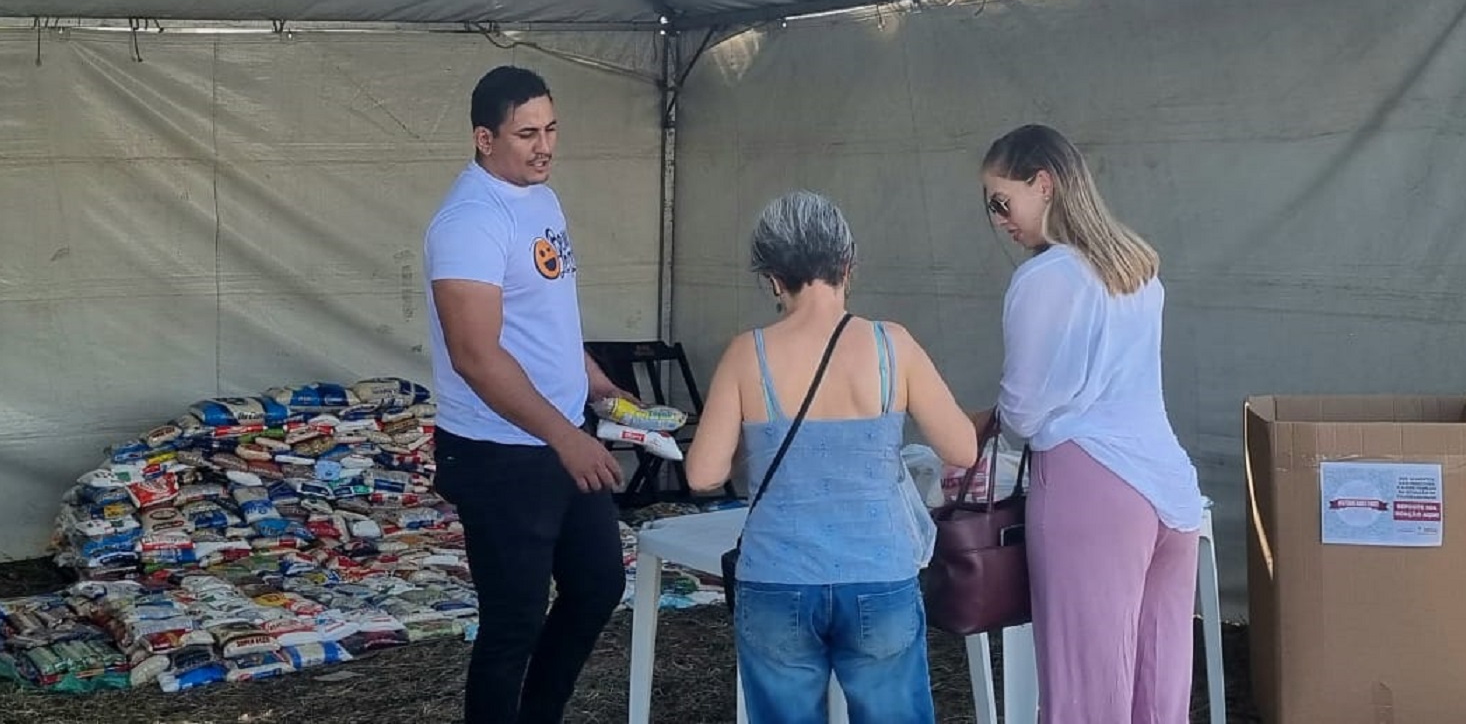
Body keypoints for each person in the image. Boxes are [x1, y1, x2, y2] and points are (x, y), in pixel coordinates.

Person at [685, 191, 978, 724]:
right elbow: (961, 448)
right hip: (879, 574)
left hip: (776, 579)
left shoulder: (747, 353)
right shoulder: (893, 345)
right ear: (848, 265)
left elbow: (703, 473)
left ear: (772, 279)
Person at [424, 65, 636, 724]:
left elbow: (546, 319)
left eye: (551, 130)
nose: (544, 147)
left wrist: (596, 385)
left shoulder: (541, 198)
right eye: (526, 134)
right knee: (513, 619)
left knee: (598, 584)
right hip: (498, 451)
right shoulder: (469, 221)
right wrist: (565, 436)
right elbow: (475, 355)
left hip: (559, 432)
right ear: (484, 138)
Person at [973, 124, 1204, 724]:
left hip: (1090, 486)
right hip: (1169, 488)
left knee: (1086, 692)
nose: (999, 220)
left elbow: (1023, 410)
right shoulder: (1137, 268)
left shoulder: (1043, 278)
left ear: (1043, 185)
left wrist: (988, 418)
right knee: (1161, 691)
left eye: (1001, 202)